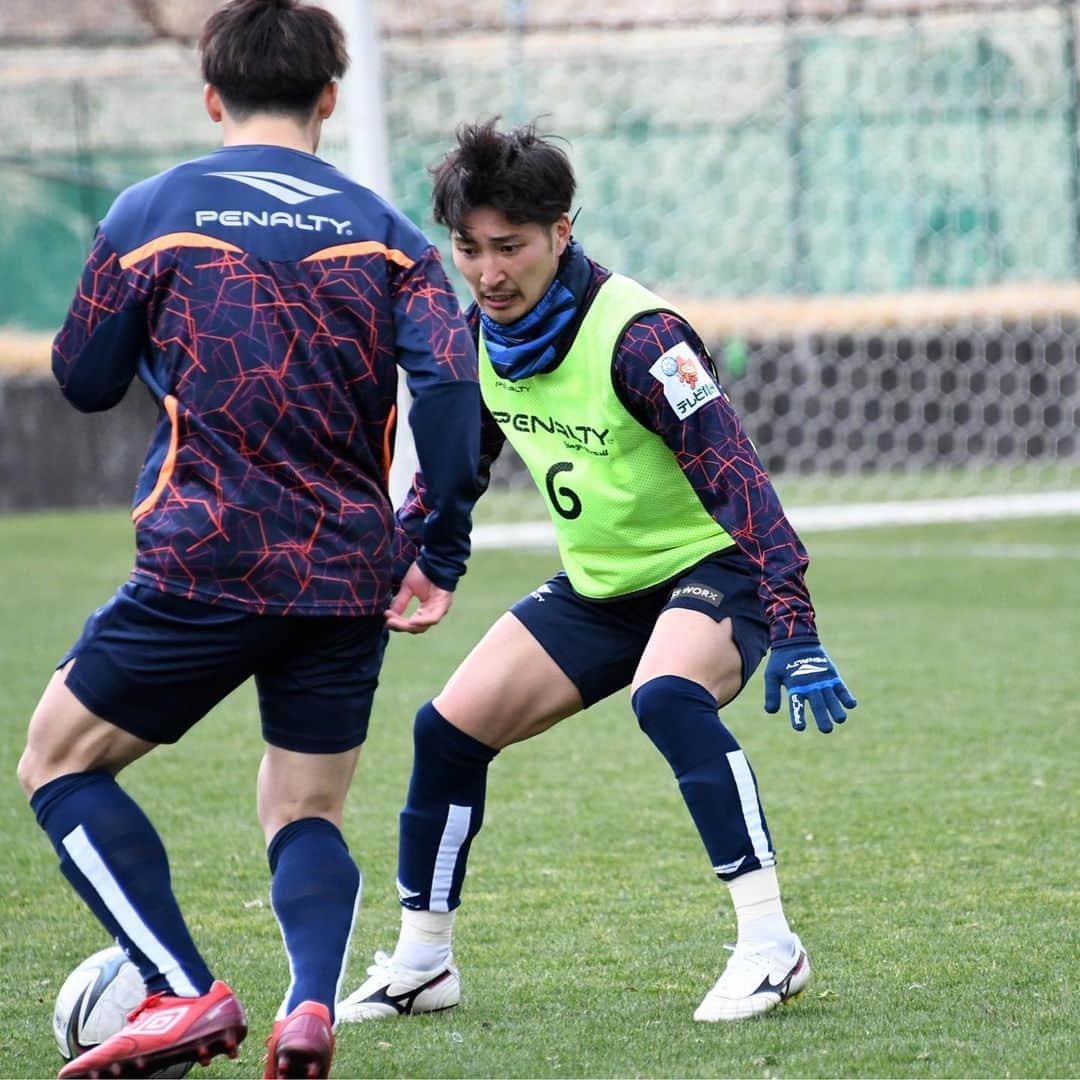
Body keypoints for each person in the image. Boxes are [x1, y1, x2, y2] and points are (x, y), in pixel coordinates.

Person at [15, 2, 482, 1077]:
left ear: (212, 95)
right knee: (304, 805)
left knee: (56, 763)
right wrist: (434, 544)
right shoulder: (391, 237)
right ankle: (309, 1004)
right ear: (329, 97)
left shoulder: (153, 211)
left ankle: (180, 990)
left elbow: (82, 381)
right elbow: (453, 396)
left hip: (203, 557)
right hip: (347, 570)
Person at [338, 118, 857, 1026]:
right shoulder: (479, 340)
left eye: (511, 247)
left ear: (562, 233)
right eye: (468, 249)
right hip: (601, 587)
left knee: (666, 695)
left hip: (712, 571)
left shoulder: (642, 340)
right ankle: (422, 963)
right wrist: (395, 559)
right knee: (447, 730)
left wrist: (797, 626)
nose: (489, 273)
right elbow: (453, 474)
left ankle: (771, 945)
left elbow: (744, 487)